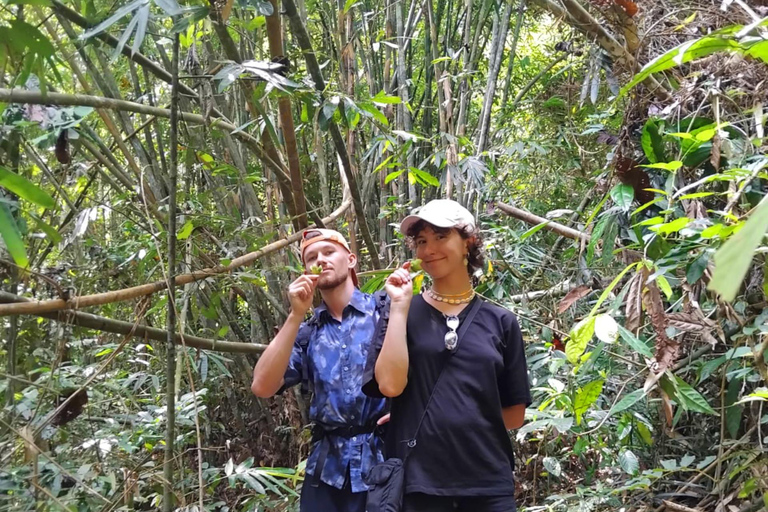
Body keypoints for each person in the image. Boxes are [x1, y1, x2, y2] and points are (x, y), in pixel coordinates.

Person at [363, 199, 531, 512]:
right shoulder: (400, 310)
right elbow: (389, 386)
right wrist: (399, 307)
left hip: (487, 484)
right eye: (421, 241)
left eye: (441, 237)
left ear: (469, 242)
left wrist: (451, 416)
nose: (429, 250)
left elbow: (514, 414)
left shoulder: (501, 321)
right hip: (418, 483)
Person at [251, 228, 388, 512]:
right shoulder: (307, 332)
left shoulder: (385, 314)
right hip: (327, 469)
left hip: (383, 464)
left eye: (329, 252)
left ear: (350, 260)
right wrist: (295, 313)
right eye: (311, 257)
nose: (320, 259)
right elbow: (262, 386)